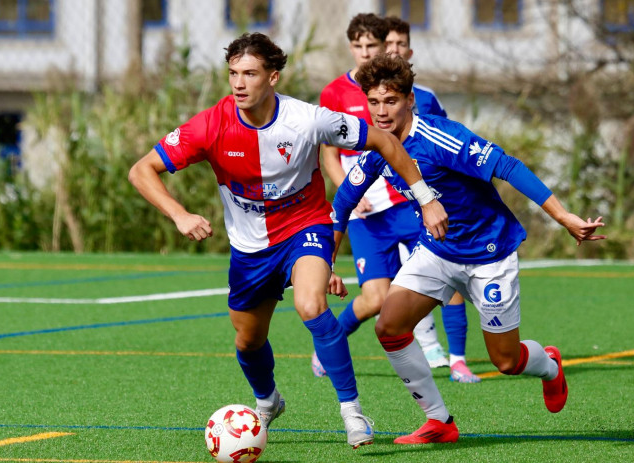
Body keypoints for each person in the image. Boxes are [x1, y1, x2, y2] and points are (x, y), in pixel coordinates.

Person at [128, 33, 448, 448]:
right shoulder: (209, 125)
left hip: (306, 227)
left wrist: (425, 199)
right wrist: (180, 214)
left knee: (311, 305)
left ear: (273, 76)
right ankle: (268, 400)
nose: (239, 83)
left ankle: (352, 411)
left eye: (250, 74)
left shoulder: (308, 119)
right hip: (249, 248)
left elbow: (384, 141)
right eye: (233, 74)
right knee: (248, 340)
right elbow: (141, 170)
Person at [332, 54, 606, 444]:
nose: (380, 111)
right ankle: (439, 421)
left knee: (506, 361)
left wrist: (562, 217)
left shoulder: (441, 137)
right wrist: (327, 263)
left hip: (489, 254)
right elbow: (342, 204)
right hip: (438, 252)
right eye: (373, 102)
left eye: (390, 101)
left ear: (410, 100)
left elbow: (508, 167)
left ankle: (549, 365)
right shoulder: (378, 149)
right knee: (389, 327)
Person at [315, 12, 449, 376]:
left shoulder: (404, 95)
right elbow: (328, 153)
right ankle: (329, 346)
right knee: (375, 298)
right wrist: (350, 191)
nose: (364, 53)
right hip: (365, 210)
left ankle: (447, 352)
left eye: (372, 45)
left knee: (439, 271)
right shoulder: (335, 92)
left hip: (406, 202)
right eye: (357, 46)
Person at [385, 15, 480, 383]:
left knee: (448, 275)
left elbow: (445, 145)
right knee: (383, 295)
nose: (393, 50)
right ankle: (330, 344)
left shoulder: (427, 100)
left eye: (399, 44)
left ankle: (456, 358)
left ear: (409, 52)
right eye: (387, 44)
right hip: (384, 209)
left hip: (429, 204)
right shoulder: (371, 99)